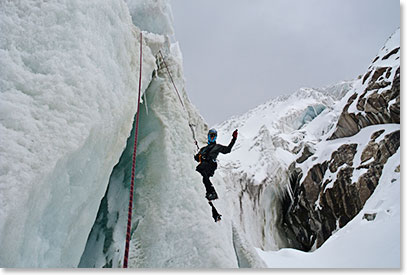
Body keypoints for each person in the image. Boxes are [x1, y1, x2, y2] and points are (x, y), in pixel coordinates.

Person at [194, 128, 238, 200]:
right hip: (204, 165)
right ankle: (207, 193)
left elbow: (228, 150)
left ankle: (212, 192)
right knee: (203, 177)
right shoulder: (203, 149)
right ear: (208, 136)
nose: (212, 137)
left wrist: (234, 139)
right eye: (211, 135)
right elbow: (196, 158)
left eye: (214, 136)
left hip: (211, 164)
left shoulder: (217, 147)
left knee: (200, 169)